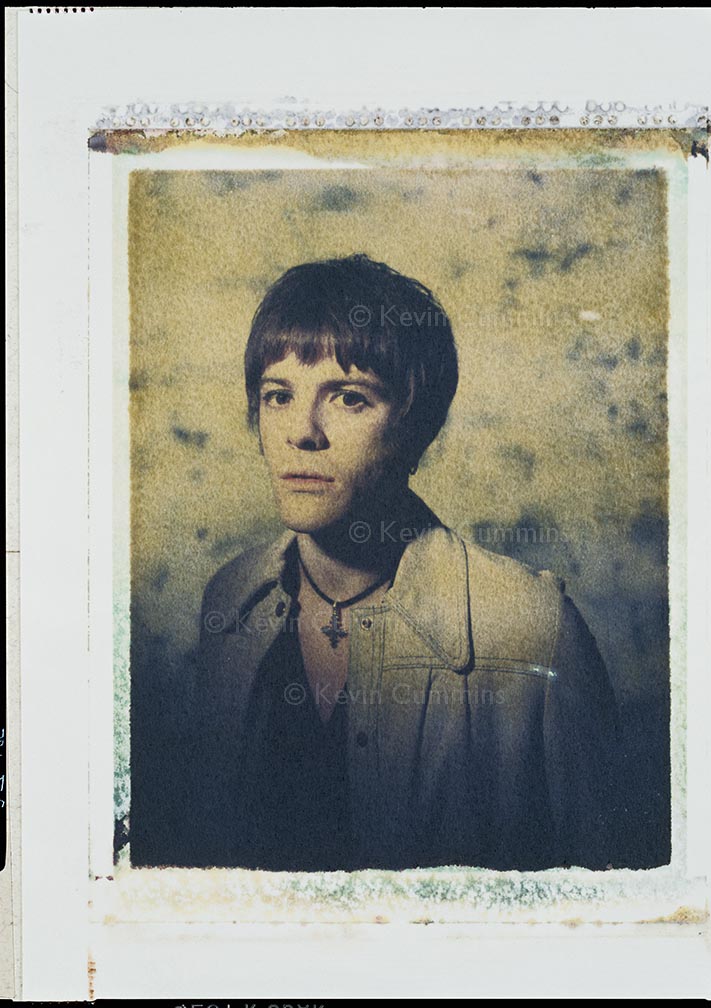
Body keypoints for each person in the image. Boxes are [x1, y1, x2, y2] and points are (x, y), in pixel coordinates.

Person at [176, 253, 618, 872]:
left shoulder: (533, 627)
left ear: (416, 427)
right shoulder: (230, 599)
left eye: (349, 398)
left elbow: (609, 897)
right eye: (278, 395)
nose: (302, 432)